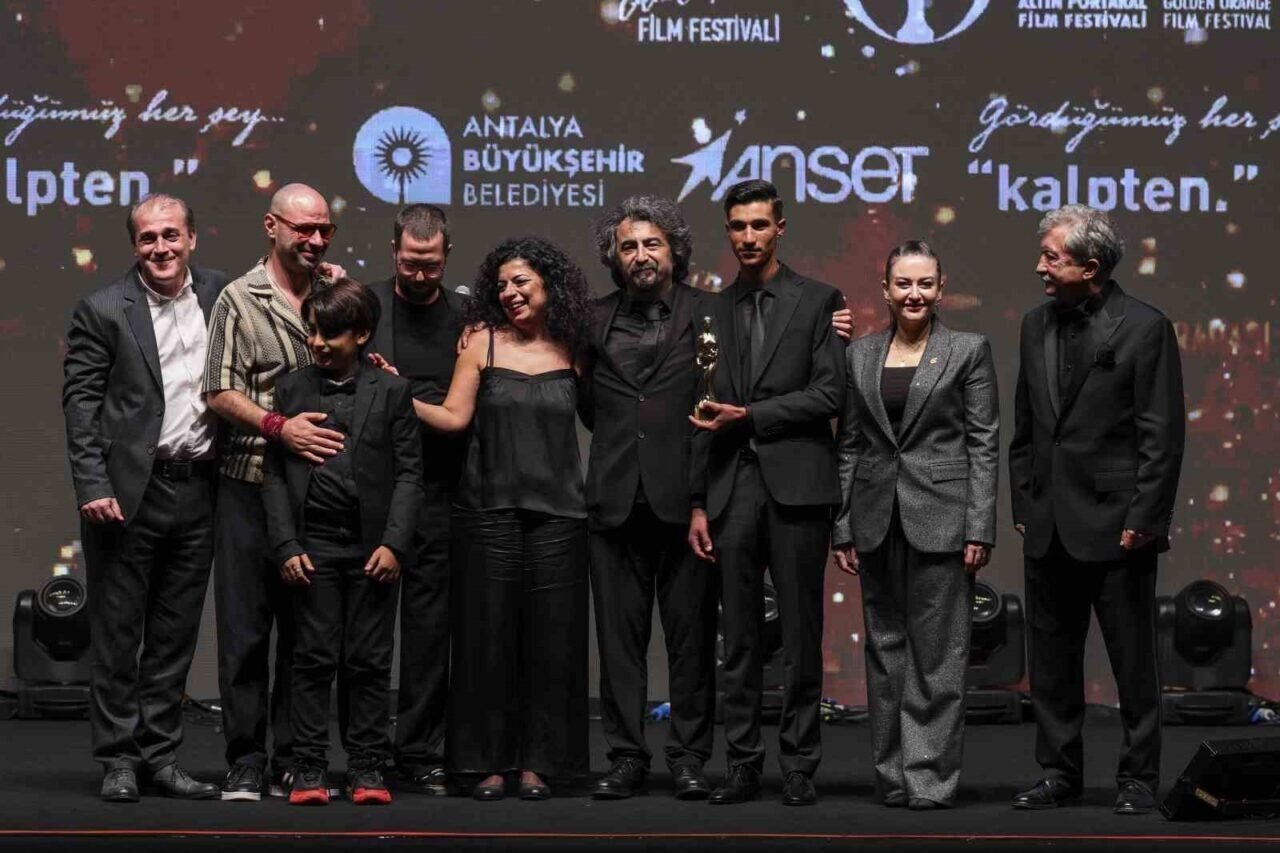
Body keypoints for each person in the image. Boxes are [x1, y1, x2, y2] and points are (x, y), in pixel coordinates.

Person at [397, 236, 591, 801]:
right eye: (502, 284)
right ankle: (485, 764)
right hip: (486, 513)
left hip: (560, 517)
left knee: (552, 647)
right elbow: (453, 418)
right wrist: (393, 393)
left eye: (521, 281)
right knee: (485, 644)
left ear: (550, 285)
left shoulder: (575, 346)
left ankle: (540, 765)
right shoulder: (479, 342)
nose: (509, 292)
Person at [1008, 205, 1185, 815]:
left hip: (1118, 524)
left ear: (1089, 266)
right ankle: (1058, 773)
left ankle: (1138, 778)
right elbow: (1027, 428)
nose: (1040, 266)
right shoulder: (1033, 324)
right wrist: (1024, 503)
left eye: (1051, 256)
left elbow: (1162, 435)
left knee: (1133, 662)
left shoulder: (1144, 327)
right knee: (1051, 661)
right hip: (1048, 522)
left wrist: (1145, 518)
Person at [62, 194, 226, 802]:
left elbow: (280, 300)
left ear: (191, 238)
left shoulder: (221, 294)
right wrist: (92, 485)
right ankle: (118, 760)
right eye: (148, 238)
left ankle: (160, 757)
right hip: (129, 494)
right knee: (118, 633)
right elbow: (81, 404)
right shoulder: (103, 309)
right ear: (135, 245)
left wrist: (325, 280)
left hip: (200, 488)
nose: (160, 248)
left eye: (170, 235)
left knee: (173, 636)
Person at [687, 179, 846, 806]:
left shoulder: (820, 300)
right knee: (740, 638)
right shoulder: (710, 310)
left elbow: (829, 394)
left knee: (802, 636)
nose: (748, 236)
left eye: (759, 225)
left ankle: (800, 764)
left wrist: (751, 417)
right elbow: (697, 413)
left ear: (780, 227)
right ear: (727, 232)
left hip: (798, 486)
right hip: (731, 488)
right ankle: (743, 764)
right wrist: (697, 502)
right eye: (737, 226)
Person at [831, 241, 999, 810]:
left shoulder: (968, 350)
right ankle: (893, 777)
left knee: (938, 657)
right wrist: (843, 527)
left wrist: (979, 527)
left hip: (944, 518)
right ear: (885, 289)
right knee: (885, 654)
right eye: (903, 283)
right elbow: (849, 445)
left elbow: (983, 442)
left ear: (941, 288)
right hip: (875, 519)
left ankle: (928, 779)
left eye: (925, 283)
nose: (914, 294)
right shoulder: (860, 355)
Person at [203, 183, 346, 800]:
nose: (314, 240)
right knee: (245, 633)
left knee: (307, 636)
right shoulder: (239, 298)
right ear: (272, 226)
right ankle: (245, 759)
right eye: (302, 229)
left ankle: (295, 755)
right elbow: (217, 390)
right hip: (249, 484)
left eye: (323, 230)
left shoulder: (334, 292)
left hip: (315, 492)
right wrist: (277, 425)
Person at [261, 279, 424, 806]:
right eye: (312, 331)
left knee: (370, 662)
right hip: (313, 545)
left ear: (361, 334)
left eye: (329, 333)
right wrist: (286, 544)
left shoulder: (393, 391)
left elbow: (409, 474)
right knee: (311, 659)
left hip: (373, 548)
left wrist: (395, 543)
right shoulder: (292, 389)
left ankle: (367, 768)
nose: (317, 342)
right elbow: (274, 476)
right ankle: (308, 767)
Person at [580, 196, 718, 800]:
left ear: (674, 250)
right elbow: (589, 403)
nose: (640, 255)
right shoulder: (590, 319)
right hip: (613, 501)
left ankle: (688, 758)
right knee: (619, 646)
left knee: (691, 643)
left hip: (687, 504)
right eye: (628, 246)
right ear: (614, 257)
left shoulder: (710, 313)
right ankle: (626, 757)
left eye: (652, 243)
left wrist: (702, 500)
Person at [366, 204, 466, 794]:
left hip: (440, 491)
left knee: (429, 632)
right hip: (372, 490)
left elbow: (466, 405)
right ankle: (365, 753)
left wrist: (401, 390)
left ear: (447, 256)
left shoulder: (467, 317)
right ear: (394, 252)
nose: (421, 275)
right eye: (410, 264)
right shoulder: (366, 306)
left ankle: (420, 752)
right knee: (367, 633)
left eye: (431, 265)